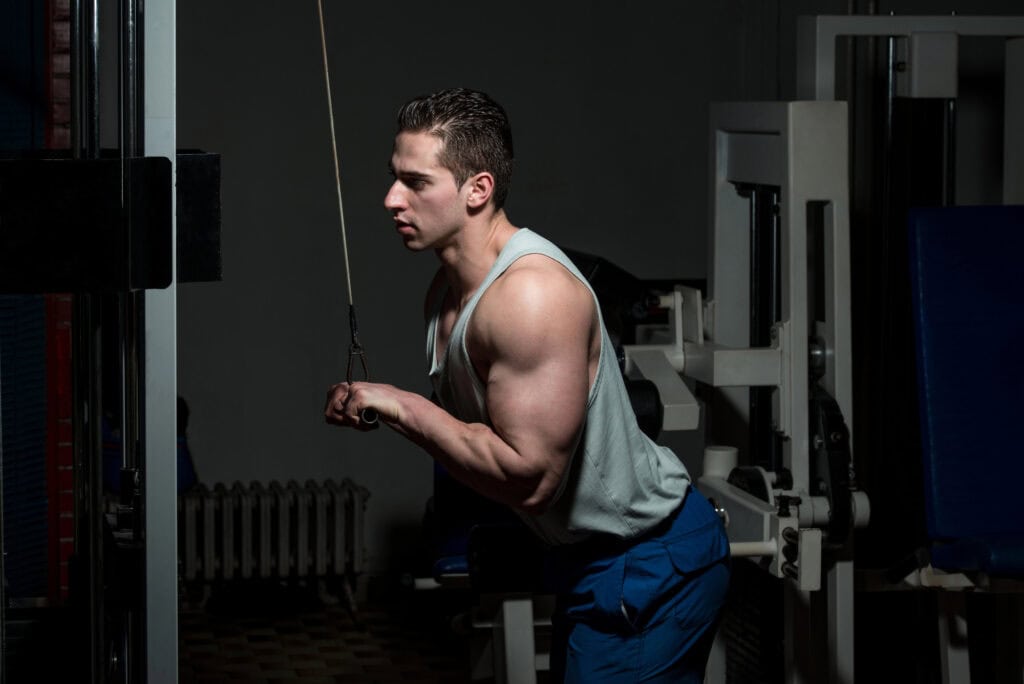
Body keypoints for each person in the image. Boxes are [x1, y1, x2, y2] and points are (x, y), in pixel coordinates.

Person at [324, 87, 730, 682]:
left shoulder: (530, 297)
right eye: (393, 177)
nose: (391, 199)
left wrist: (401, 405)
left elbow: (530, 478)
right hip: (586, 561)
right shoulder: (445, 294)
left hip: (650, 561)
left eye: (416, 182)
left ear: (477, 190)